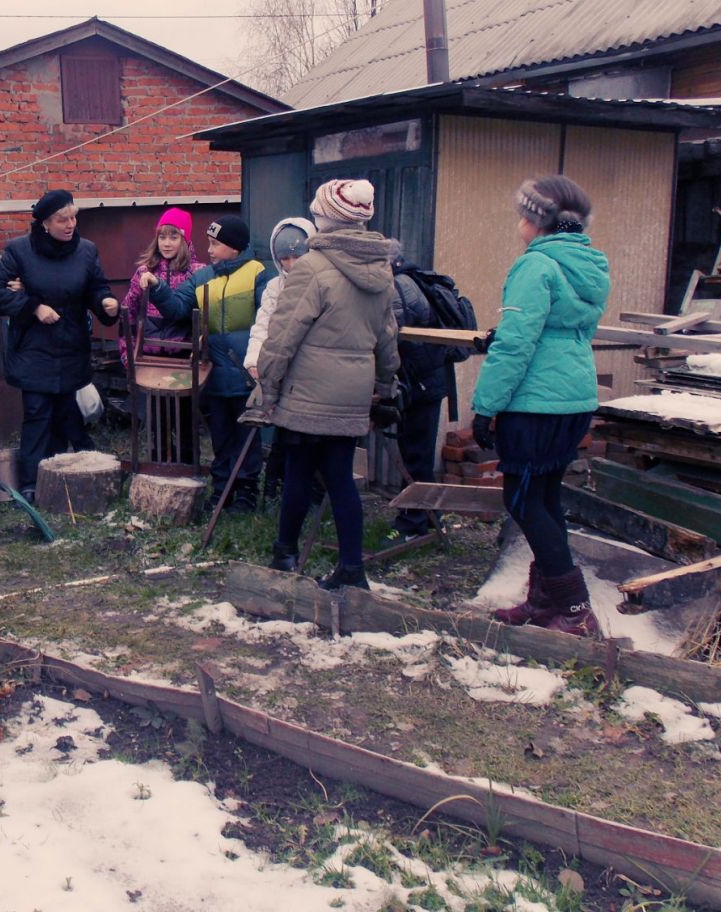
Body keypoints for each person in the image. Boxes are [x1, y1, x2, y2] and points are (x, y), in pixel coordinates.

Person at [471, 174, 609, 638]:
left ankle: (575, 608)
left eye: (521, 216)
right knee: (545, 498)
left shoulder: (535, 266)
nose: (518, 224)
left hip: (536, 402)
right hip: (573, 397)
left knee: (523, 499)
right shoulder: (590, 264)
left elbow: (517, 345)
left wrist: (486, 406)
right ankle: (546, 600)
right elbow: (564, 330)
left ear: (536, 221)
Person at [250, 179, 399, 590]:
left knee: (298, 471)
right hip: (353, 393)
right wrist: (386, 383)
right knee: (340, 477)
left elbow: (283, 335)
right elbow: (387, 336)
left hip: (308, 392)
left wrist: (269, 388)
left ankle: (284, 554)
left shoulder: (312, 268)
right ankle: (352, 569)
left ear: (325, 219)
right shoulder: (380, 270)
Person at [0, 189, 119, 500]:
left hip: (71, 344)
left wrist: (105, 302)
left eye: (73, 218)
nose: (70, 224)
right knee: (37, 412)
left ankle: (62, 476)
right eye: (62, 220)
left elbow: (96, 287)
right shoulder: (20, 250)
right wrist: (33, 307)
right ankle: (31, 482)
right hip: (33, 347)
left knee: (66, 412)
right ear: (45, 223)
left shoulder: (86, 251)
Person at [145, 215, 275, 512]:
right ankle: (222, 489)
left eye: (216, 244)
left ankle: (246, 490)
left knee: (247, 435)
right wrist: (158, 288)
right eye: (209, 243)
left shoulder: (258, 275)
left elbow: (269, 321)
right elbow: (177, 308)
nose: (210, 249)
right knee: (221, 434)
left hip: (246, 374)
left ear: (234, 246)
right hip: (214, 372)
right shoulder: (203, 277)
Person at [388, 240, 473, 538]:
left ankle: (414, 524)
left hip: (421, 383)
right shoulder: (411, 280)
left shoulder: (399, 287)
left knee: (416, 455)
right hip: (427, 380)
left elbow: (391, 339)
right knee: (418, 452)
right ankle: (426, 518)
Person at [121, 207, 205, 464]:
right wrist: (128, 355)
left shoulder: (197, 272)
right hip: (151, 359)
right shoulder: (145, 272)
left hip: (183, 358)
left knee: (185, 420)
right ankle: (157, 466)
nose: (167, 243)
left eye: (174, 236)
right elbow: (129, 315)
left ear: (185, 239)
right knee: (157, 421)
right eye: (162, 236)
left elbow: (205, 320)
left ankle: (188, 468)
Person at [246, 217, 315, 505]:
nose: (290, 264)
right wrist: (254, 360)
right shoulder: (275, 287)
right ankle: (274, 490)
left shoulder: (321, 283)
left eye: (297, 256)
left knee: (309, 438)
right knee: (282, 434)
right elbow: (263, 325)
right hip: (281, 370)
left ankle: (312, 494)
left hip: (312, 373)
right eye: (284, 258)